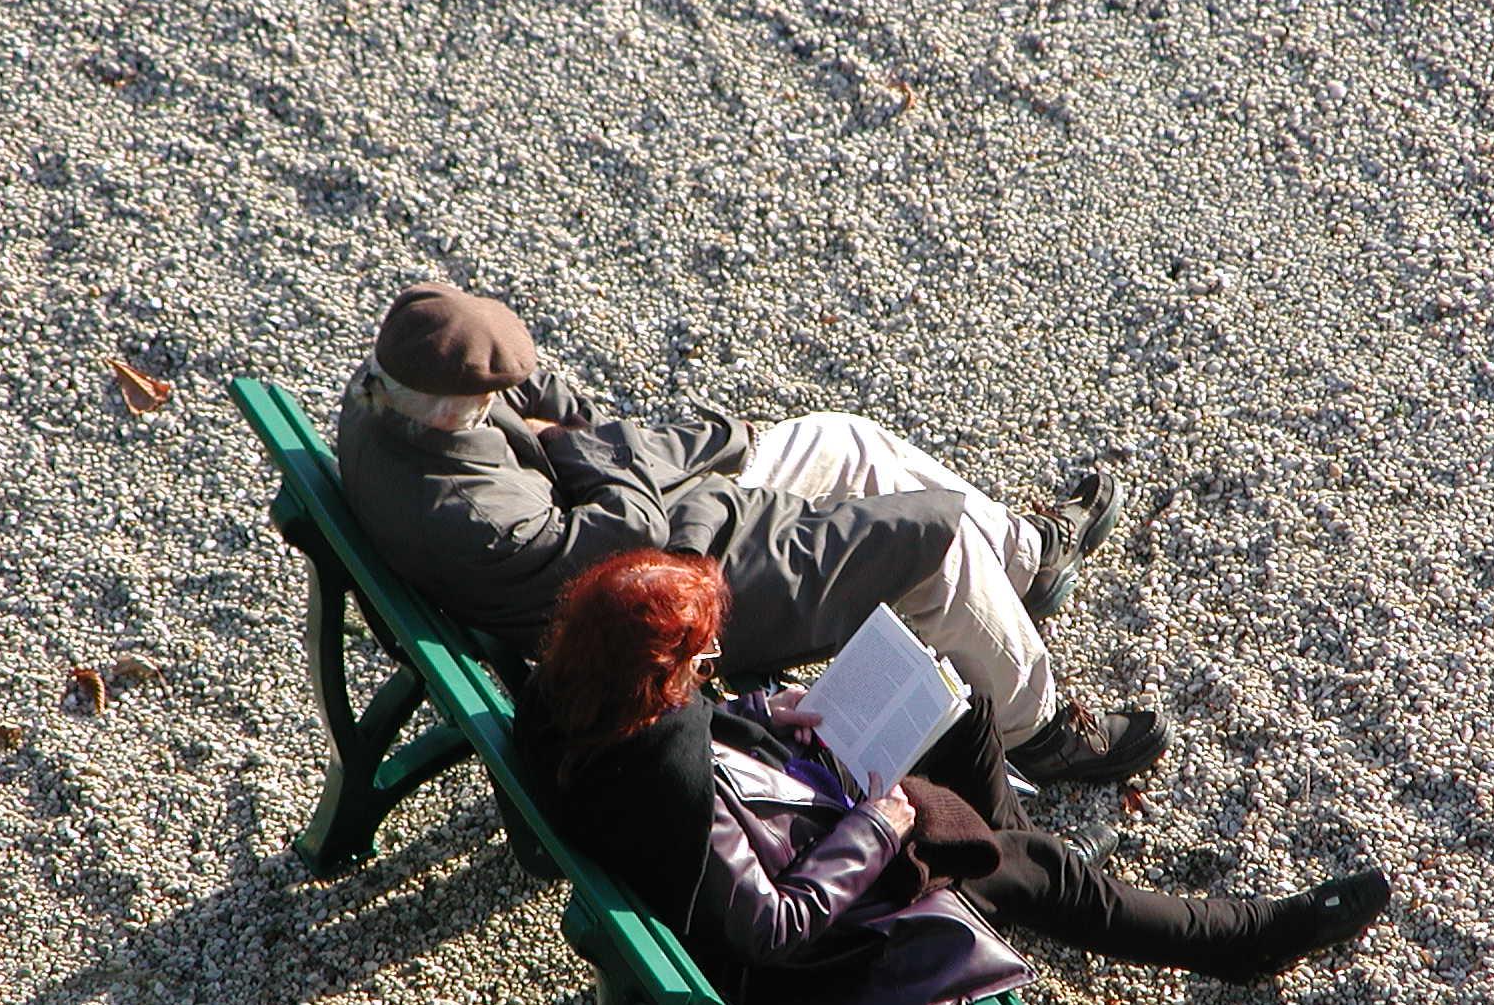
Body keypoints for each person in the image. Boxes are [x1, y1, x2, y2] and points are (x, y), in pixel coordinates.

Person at [513, 549, 1390, 1005]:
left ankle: (1023, 870)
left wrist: (756, 711)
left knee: (963, 719)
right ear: (659, 680)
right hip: (831, 946)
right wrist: (876, 826)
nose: (711, 674)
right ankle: (1247, 941)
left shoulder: (573, 702)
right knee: (1038, 869)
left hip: (785, 819)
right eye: (700, 665)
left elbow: (687, 730)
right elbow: (774, 929)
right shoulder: (669, 789)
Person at [339, 279, 1168, 784]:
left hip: (667, 527)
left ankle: (1025, 559)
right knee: (934, 545)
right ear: (451, 412)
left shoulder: (397, 387)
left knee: (844, 441)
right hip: (665, 605)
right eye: (488, 399)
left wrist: (579, 437)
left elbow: (557, 406)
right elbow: (627, 531)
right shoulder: (471, 518)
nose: (504, 399)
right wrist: (589, 448)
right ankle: (1037, 731)